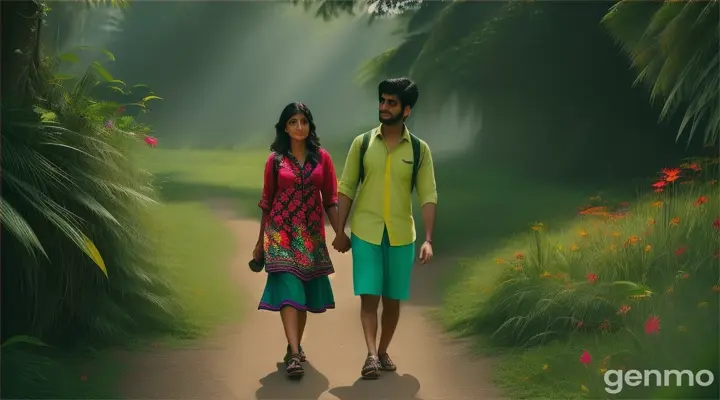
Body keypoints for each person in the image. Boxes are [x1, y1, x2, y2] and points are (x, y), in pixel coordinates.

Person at [332, 77, 438, 379]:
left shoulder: (419, 150)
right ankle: (370, 356)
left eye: (391, 103)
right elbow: (347, 186)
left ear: (406, 111)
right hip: (366, 231)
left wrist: (428, 239)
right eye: (382, 100)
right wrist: (340, 231)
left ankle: (382, 351)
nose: (384, 107)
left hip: (402, 235)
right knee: (369, 296)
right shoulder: (362, 143)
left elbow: (428, 194)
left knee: (392, 301)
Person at [254, 102, 340, 378]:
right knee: (290, 289)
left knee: (301, 294)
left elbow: (331, 199)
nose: (299, 126)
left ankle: (295, 345)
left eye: (303, 121)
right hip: (280, 233)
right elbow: (267, 202)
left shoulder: (322, 159)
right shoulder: (275, 160)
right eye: (293, 122)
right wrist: (259, 243)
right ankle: (294, 354)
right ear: (285, 127)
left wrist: (341, 233)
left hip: (311, 236)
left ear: (310, 125)